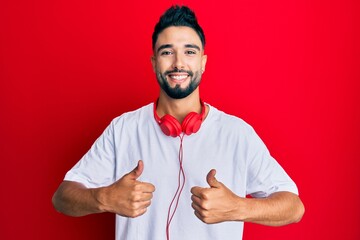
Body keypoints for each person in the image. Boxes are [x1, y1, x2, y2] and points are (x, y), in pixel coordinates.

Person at [52, 5, 305, 240]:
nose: (178, 62)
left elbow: (294, 207)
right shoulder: (123, 129)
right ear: (154, 63)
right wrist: (103, 197)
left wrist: (239, 207)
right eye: (167, 52)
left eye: (189, 51)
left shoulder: (237, 133)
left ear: (203, 62)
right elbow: (62, 197)